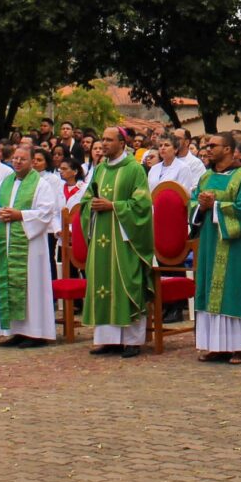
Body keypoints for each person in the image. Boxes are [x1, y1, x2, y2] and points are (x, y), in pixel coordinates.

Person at [190, 132, 241, 364]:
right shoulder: (205, 177)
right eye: (207, 146)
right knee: (211, 289)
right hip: (211, 243)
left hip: (236, 245)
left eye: (213, 146)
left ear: (229, 150)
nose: (207, 149)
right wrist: (199, 206)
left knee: (235, 290)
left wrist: (216, 205)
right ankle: (216, 345)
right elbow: (192, 204)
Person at [81, 128, 153, 357]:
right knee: (102, 284)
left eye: (109, 140)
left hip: (125, 238)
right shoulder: (100, 169)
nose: (103, 144)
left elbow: (142, 205)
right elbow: (86, 198)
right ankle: (107, 339)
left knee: (126, 282)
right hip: (101, 234)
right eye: (102, 139)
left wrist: (113, 206)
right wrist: (90, 205)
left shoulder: (134, 169)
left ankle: (132, 340)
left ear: (122, 143)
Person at [0, 140, 61, 347]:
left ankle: (36, 333)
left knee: (32, 286)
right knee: (9, 284)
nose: (18, 162)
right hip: (6, 243)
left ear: (32, 162)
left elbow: (47, 212)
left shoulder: (41, 184)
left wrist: (20, 215)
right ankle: (15, 331)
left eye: (23, 159)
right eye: (15, 159)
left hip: (30, 246)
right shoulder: (5, 183)